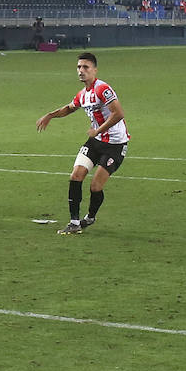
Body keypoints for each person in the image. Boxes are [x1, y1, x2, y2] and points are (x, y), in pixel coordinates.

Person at [35, 52, 129, 235]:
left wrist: (98, 130)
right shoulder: (83, 94)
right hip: (95, 141)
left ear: (95, 70)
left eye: (85, 67)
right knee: (76, 176)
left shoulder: (103, 89)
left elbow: (119, 114)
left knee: (95, 186)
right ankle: (74, 222)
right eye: (79, 67)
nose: (81, 71)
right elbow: (69, 108)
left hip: (115, 145)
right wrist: (50, 115)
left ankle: (91, 217)